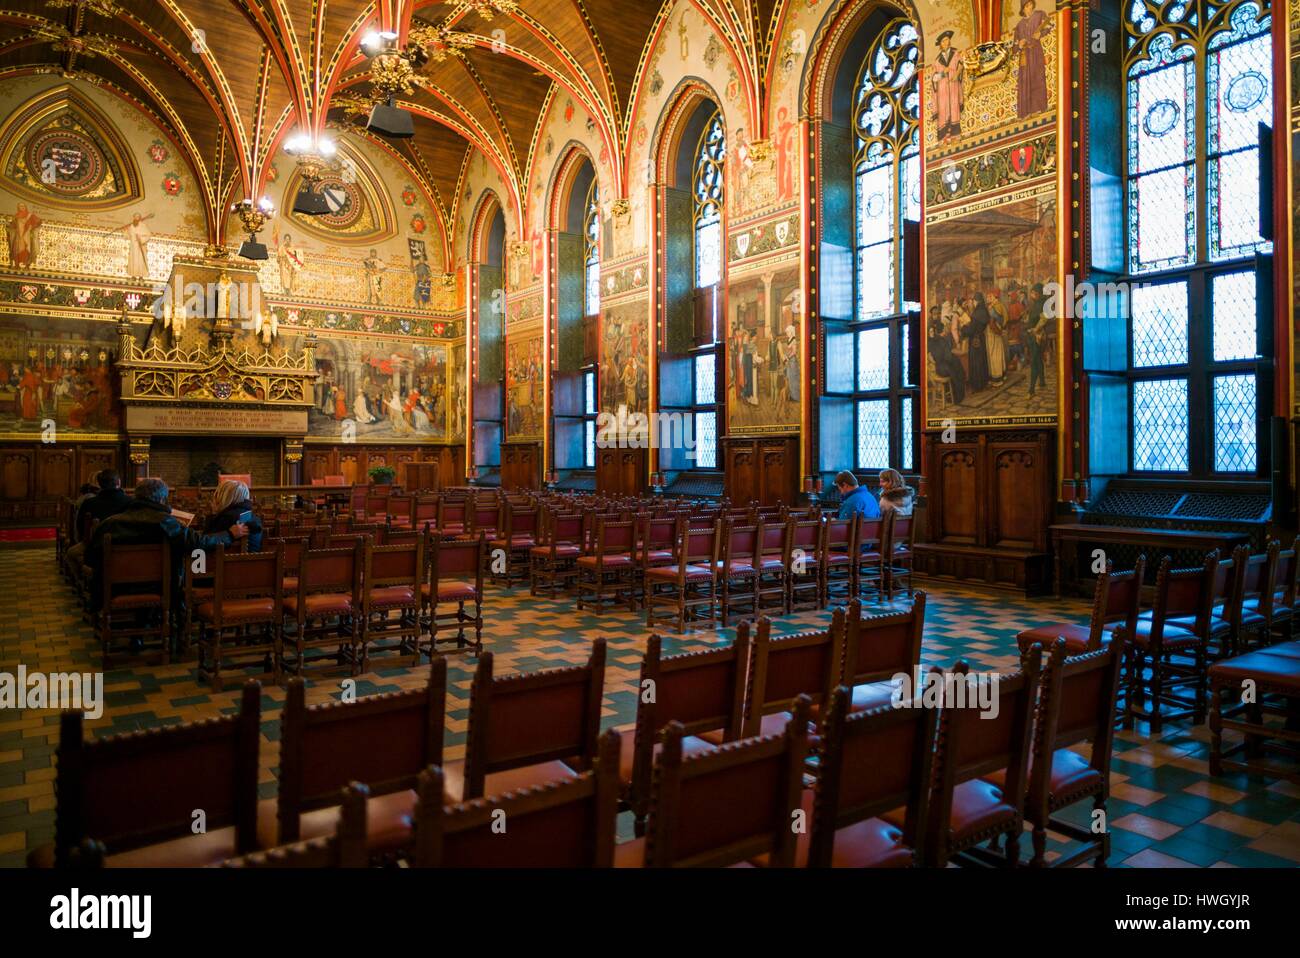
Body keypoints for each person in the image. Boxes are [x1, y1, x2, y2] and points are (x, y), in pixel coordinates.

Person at [84, 478, 248, 611]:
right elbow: (197, 543)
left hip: (114, 589)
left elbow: (90, 559)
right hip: (160, 588)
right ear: (163, 499)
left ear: (136, 496)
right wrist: (229, 534)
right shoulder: (166, 522)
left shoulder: (109, 524)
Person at [204, 479, 262, 553]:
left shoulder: (226, 518)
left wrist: (211, 517)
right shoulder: (253, 517)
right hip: (254, 563)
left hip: (221, 563)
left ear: (224, 497)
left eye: (217, 495)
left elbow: (206, 545)